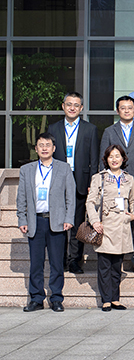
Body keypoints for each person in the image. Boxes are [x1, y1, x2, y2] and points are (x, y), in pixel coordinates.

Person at [17, 133, 76, 312]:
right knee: (36, 263)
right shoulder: (26, 170)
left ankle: (56, 298)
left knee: (57, 263)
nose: (44, 148)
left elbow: (70, 196)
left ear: (54, 148)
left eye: (47, 145)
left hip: (56, 221)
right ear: (36, 149)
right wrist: (22, 219)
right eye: (41, 145)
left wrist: (69, 218)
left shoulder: (64, 168)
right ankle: (36, 298)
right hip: (35, 221)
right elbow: (21, 197)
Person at [99, 95, 134, 274]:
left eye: (130, 108)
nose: (127, 111)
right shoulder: (109, 131)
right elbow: (103, 160)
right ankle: (118, 259)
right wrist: (102, 184)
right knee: (116, 222)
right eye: (123, 108)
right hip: (115, 185)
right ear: (117, 111)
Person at [46, 92, 98, 275]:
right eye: (69, 104)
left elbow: (94, 158)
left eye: (76, 105)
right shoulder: (53, 128)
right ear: (63, 106)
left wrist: (92, 182)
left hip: (81, 180)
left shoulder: (90, 129)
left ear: (81, 108)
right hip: (58, 179)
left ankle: (75, 260)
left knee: (77, 223)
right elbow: (48, 156)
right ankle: (60, 260)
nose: (72, 108)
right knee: (59, 222)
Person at [86, 145, 134, 311]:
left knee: (117, 266)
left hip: (122, 226)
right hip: (105, 226)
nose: (114, 159)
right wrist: (95, 221)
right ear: (106, 159)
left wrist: (133, 215)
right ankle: (106, 299)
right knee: (105, 265)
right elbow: (90, 202)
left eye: (117, 156)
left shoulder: (129, 178)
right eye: (111, 156)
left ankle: (115, 298)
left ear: (123, 158)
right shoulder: (99, 178)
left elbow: (133, 200)